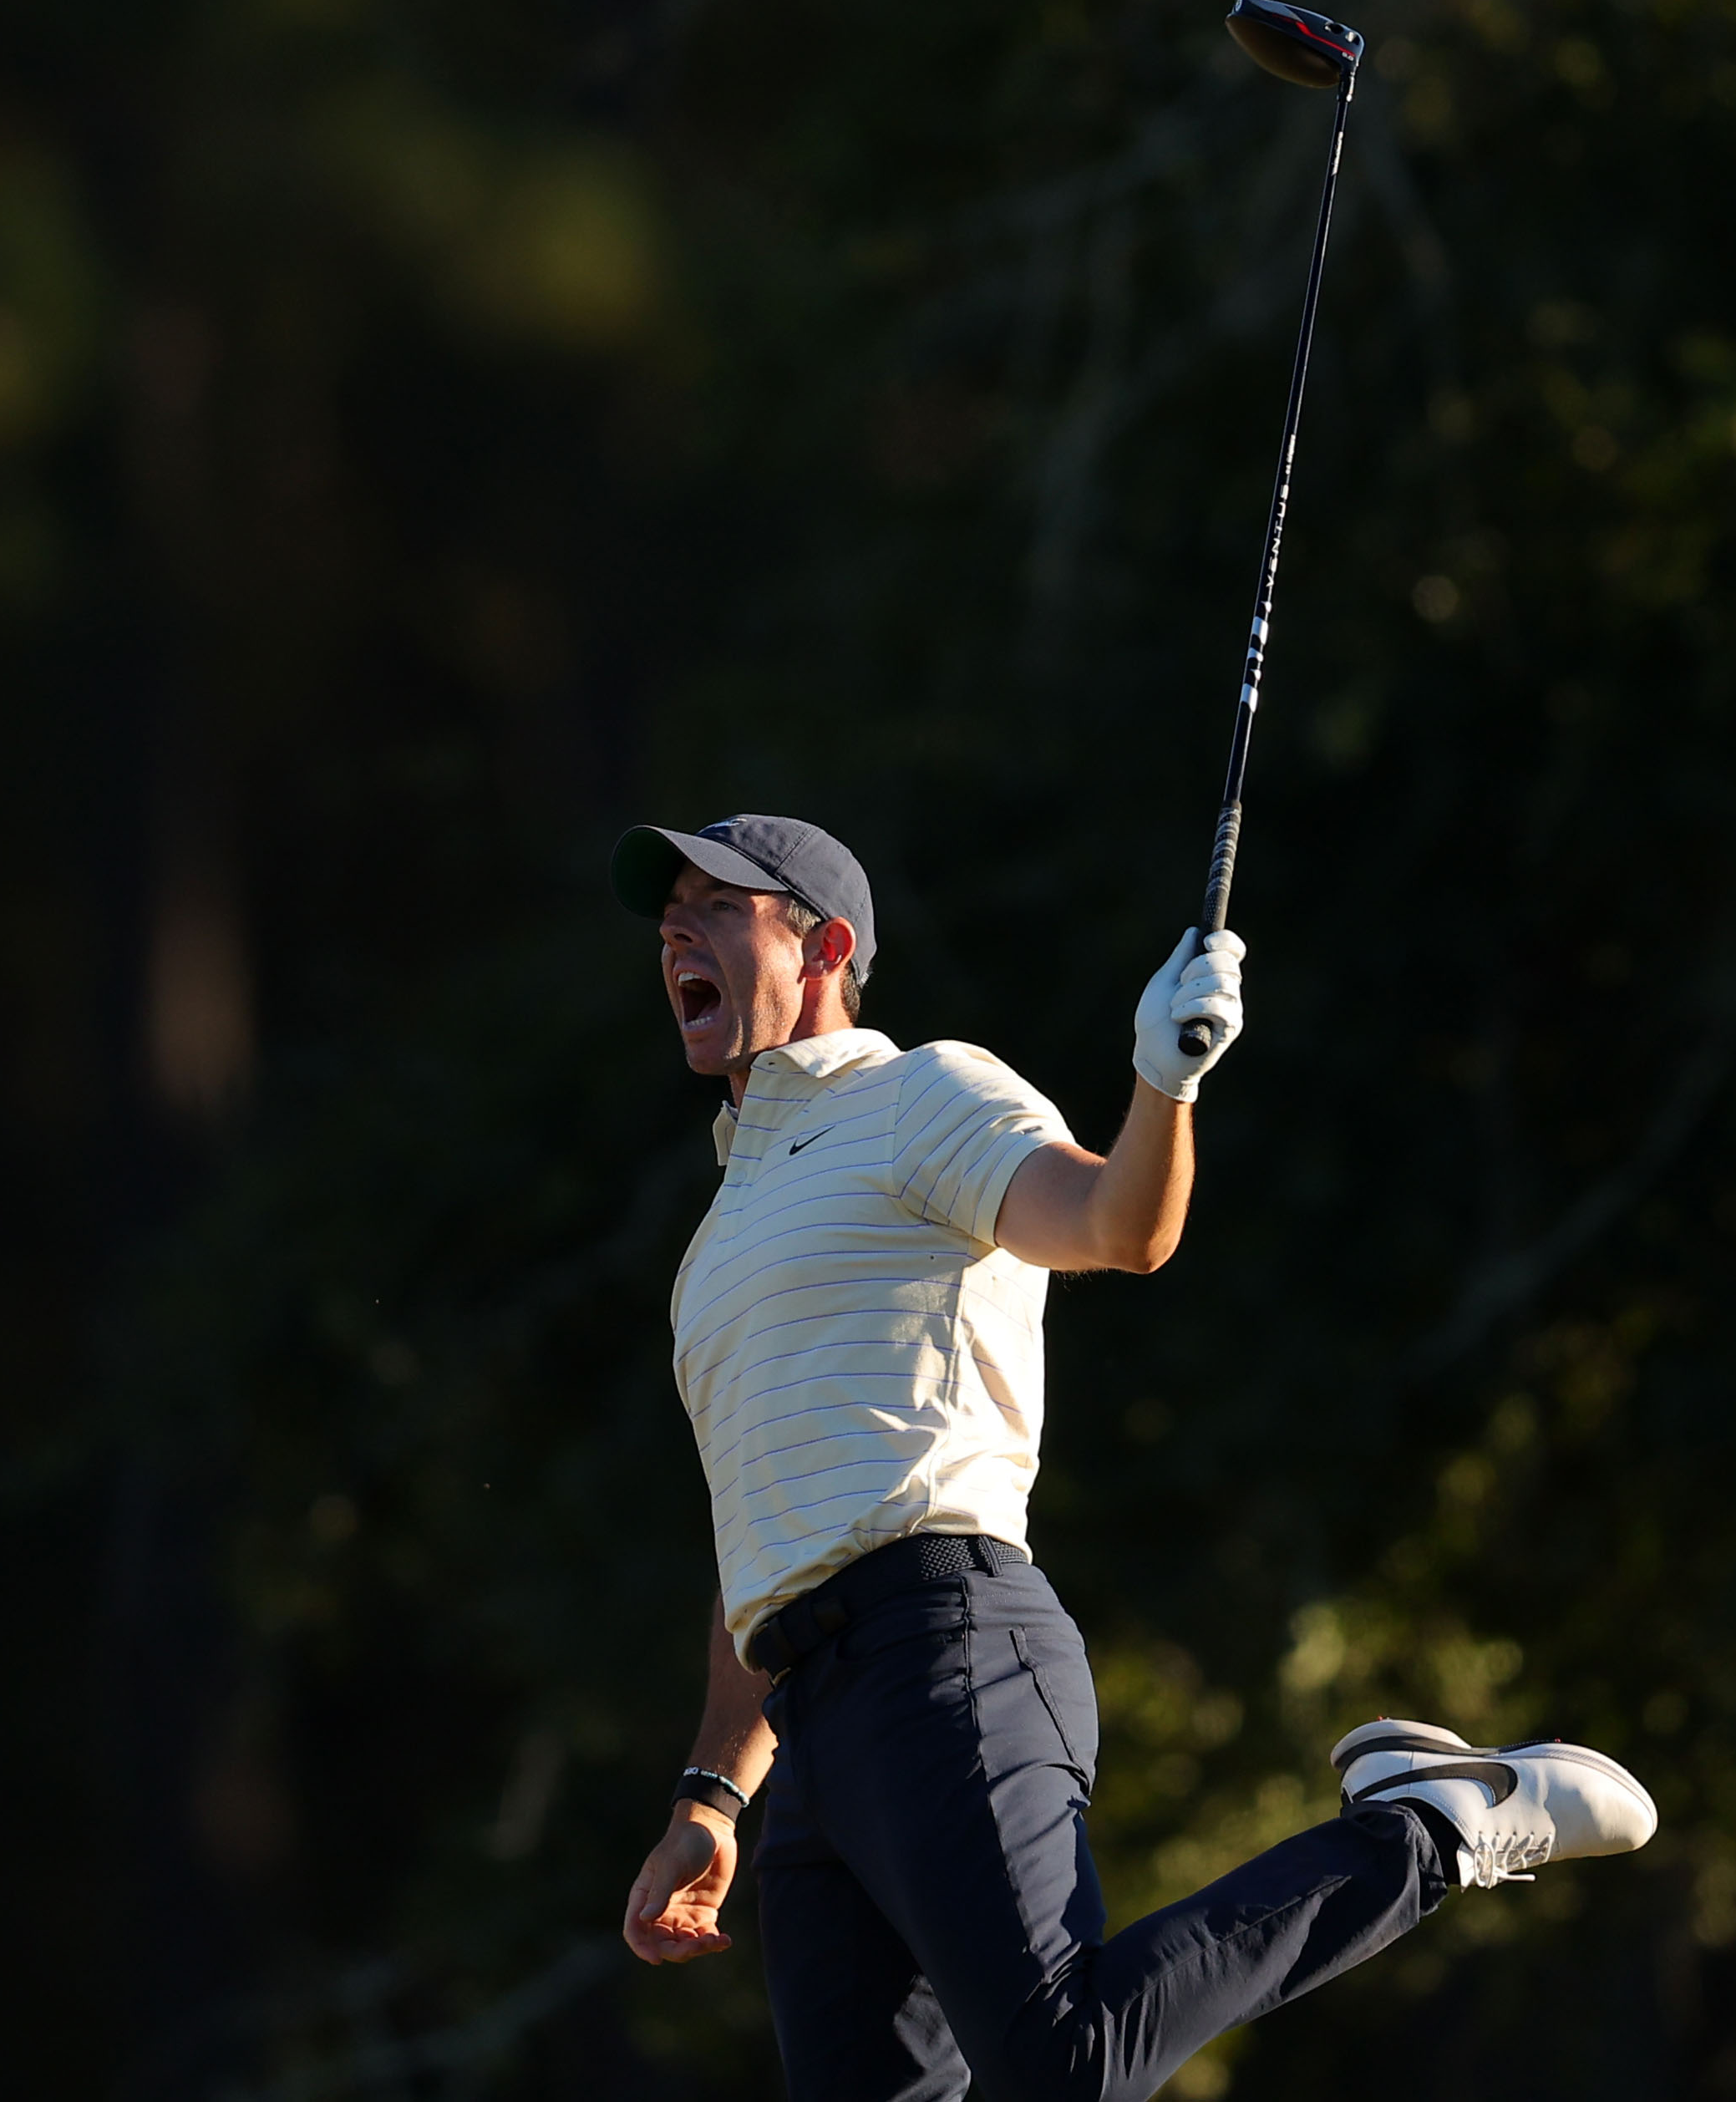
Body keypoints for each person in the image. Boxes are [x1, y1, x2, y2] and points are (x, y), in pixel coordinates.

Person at [608, 813, 1657, 2102]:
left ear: (822, 945)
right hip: (815, 1730)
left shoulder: (921, 1093)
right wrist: (712, 1796)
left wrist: (1165, 1082)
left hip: (941, 1647)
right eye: (670, 913)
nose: (676, 930)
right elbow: (755, 1543)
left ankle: (1428, 1827)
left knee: (1063, 2061)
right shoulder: (713, 1243)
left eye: (719, 905)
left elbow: (1118, 1223)